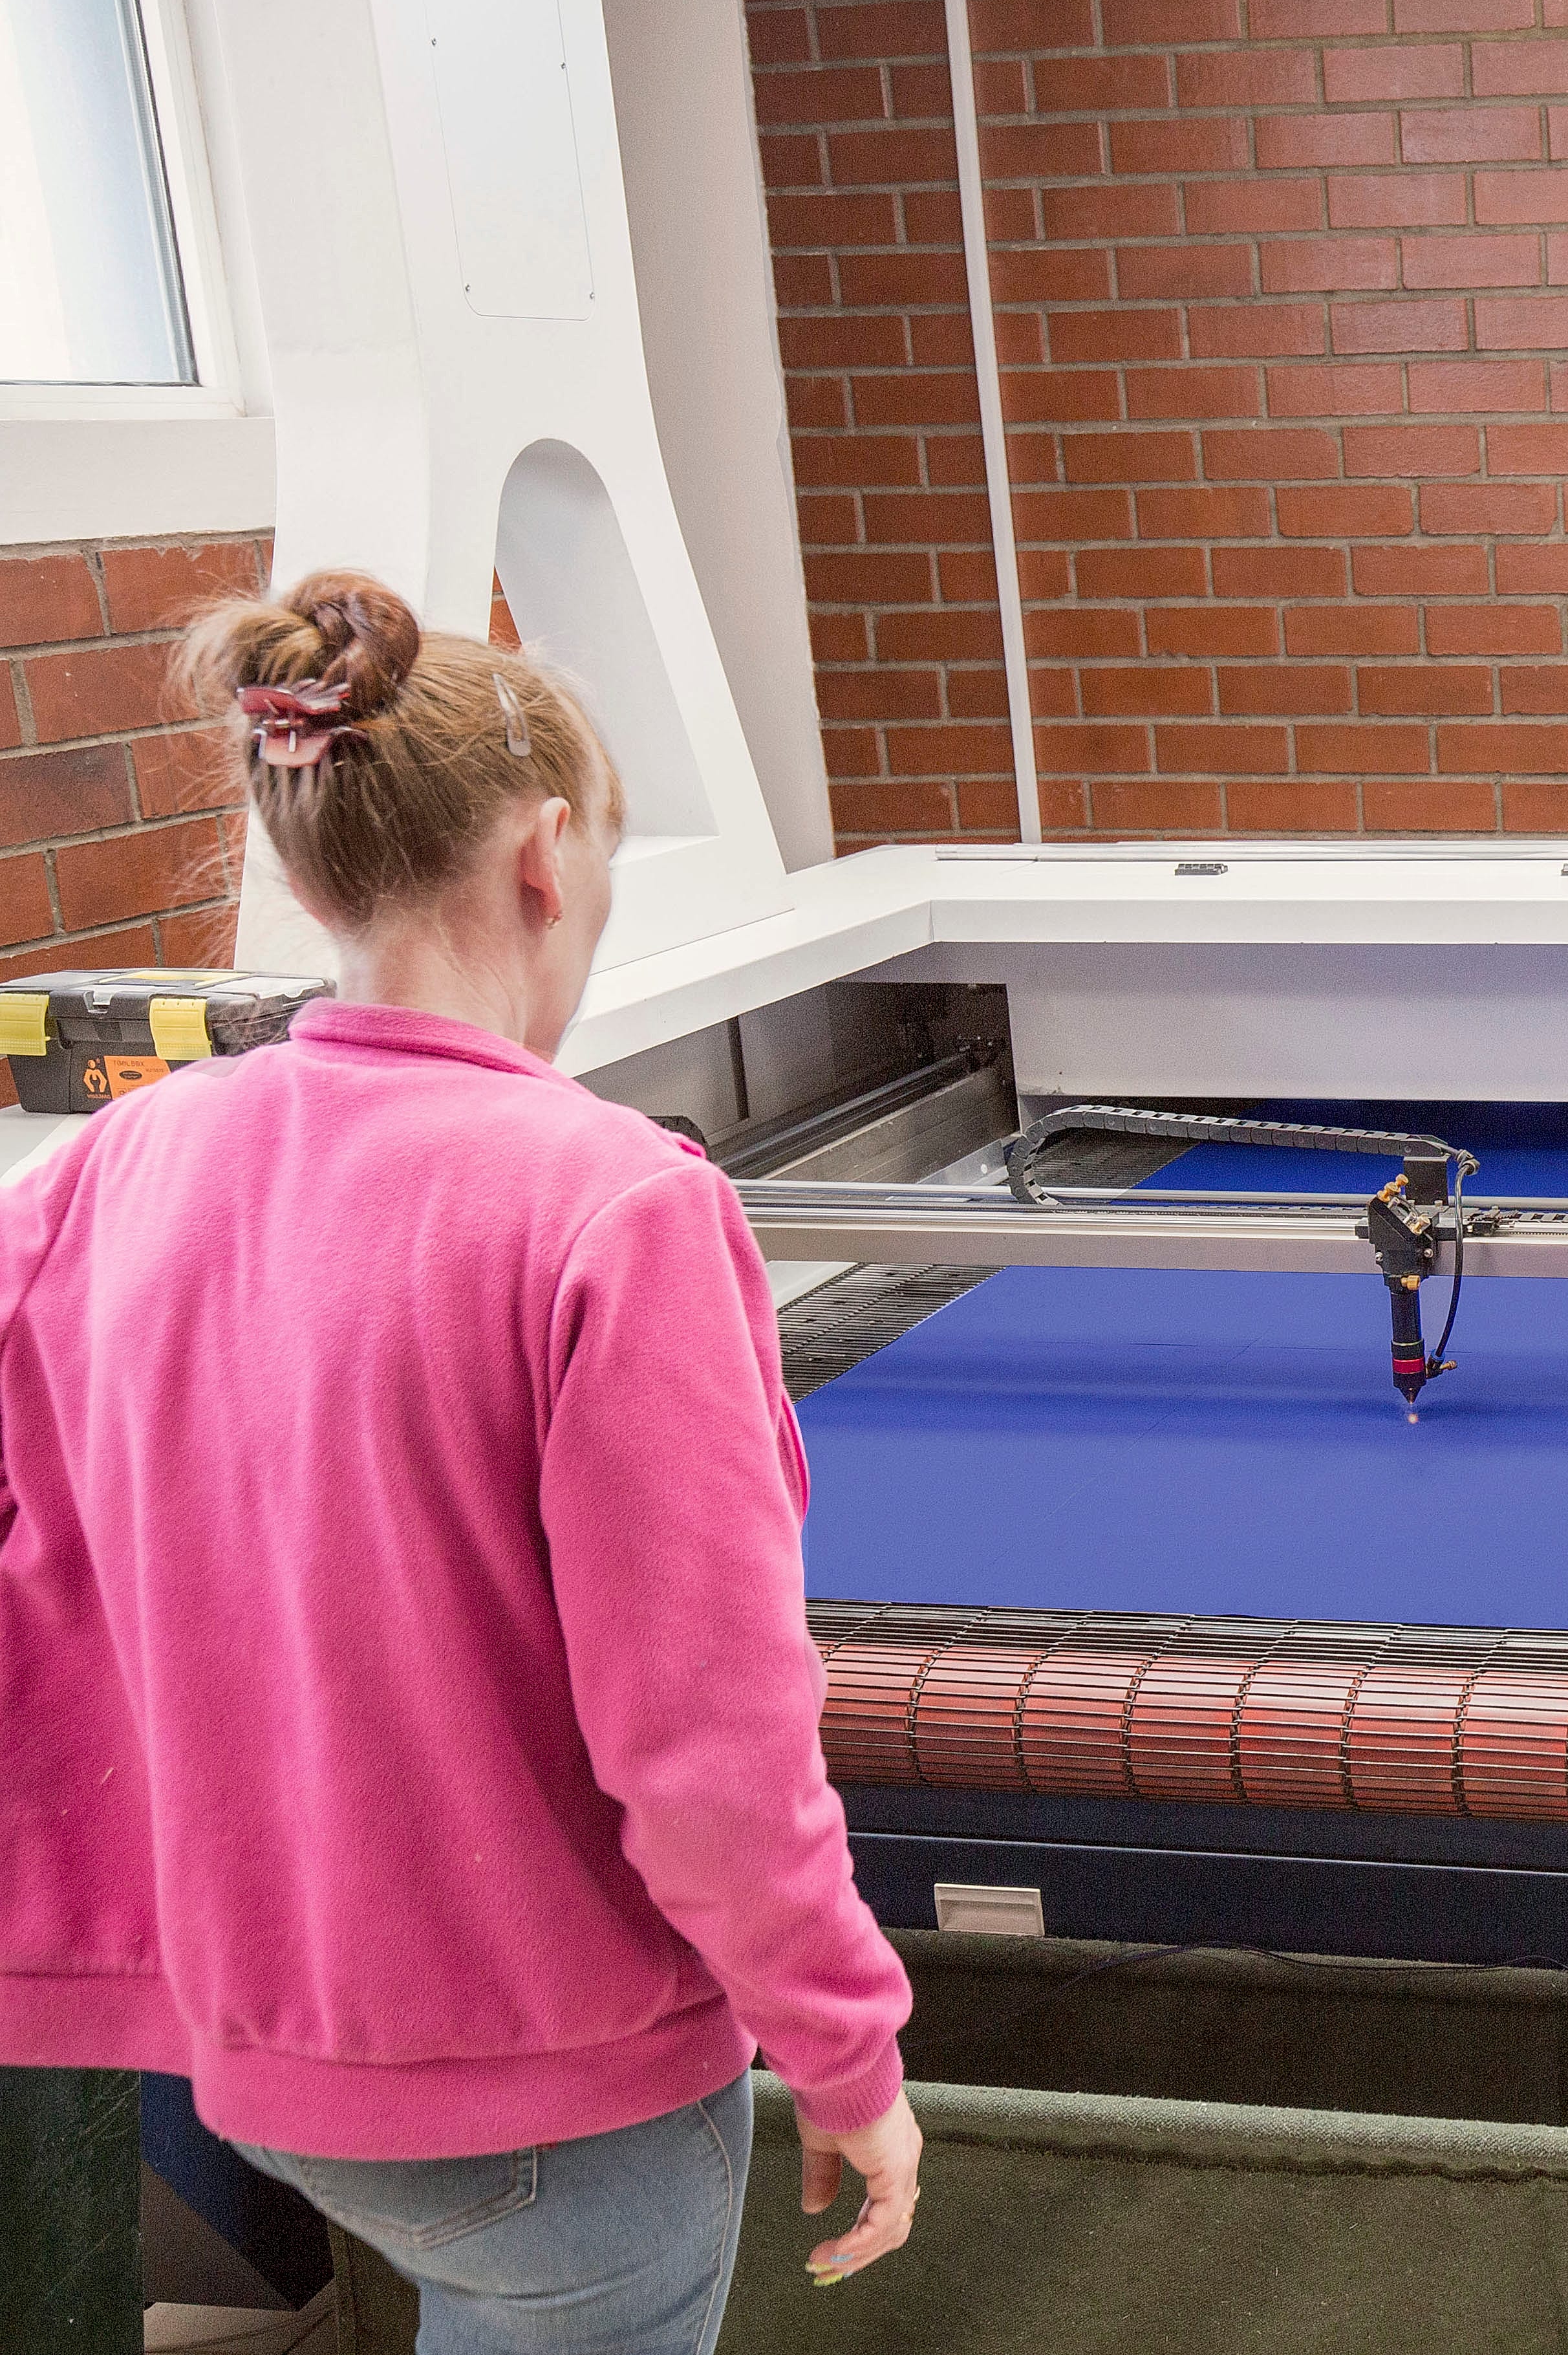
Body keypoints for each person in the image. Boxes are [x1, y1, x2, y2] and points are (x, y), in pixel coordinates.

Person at [0, 572, 920, 2350]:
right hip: (553, 2093)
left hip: (252, 2055)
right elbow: (705, 1739)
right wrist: (845, 2047)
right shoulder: (618, 1208)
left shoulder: (117, 1165)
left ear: (311, 873)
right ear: (547, 856)